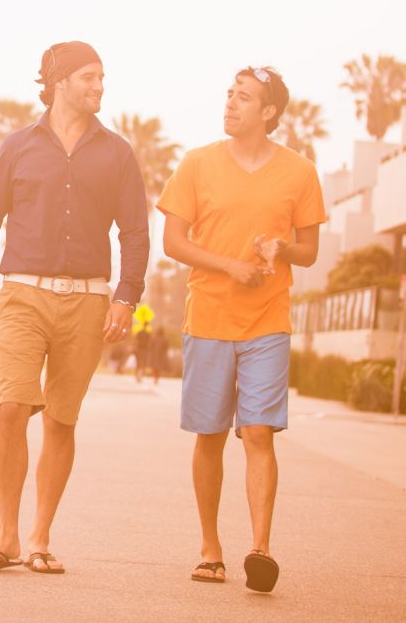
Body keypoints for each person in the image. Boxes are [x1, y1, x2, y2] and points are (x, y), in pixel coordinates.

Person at [0, 40, 148, 576]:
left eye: (102, 78)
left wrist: (127, 296)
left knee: (61, 420)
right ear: (58, 81)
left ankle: (40, 537)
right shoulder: (18, 146)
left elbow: (134, 229)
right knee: (11, 407)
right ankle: (6, 535)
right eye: (89, 77)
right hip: (22, 294)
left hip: (87, 300)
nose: (99, 87)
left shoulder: (118, 153)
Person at [158, 66, 323, 593]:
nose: (230, 103)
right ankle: (210, 549)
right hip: (207, 317)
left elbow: (310, 251)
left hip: (268, 320)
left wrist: (281, 249)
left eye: (243, 97)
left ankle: (260, 549)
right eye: (229, 94)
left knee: (257, 432)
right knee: (210, 435)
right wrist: (229, 266)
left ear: (269, 112)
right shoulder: (197, 164)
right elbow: (174, 241)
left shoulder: (300, 172)